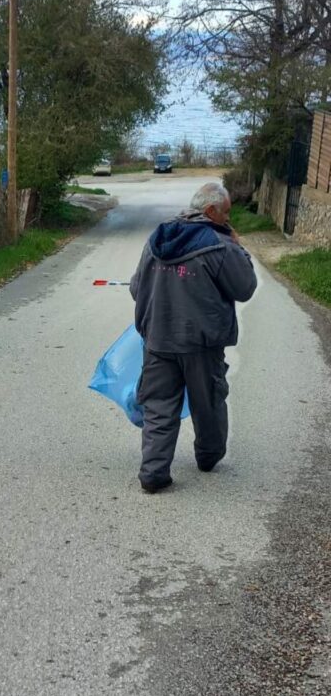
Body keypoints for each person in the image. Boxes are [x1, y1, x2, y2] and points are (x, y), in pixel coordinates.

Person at [129, 182, 257, 494]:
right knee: (208, 401)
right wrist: (239, 247)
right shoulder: (220, 244)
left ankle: (153, 472)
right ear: (211, 211)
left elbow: (136, 287)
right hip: (201, 342)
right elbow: (245, 287)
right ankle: (208, 457)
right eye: (226, 212)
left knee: (159, 405)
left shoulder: (159, 237)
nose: (229, 219)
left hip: (158, 339)